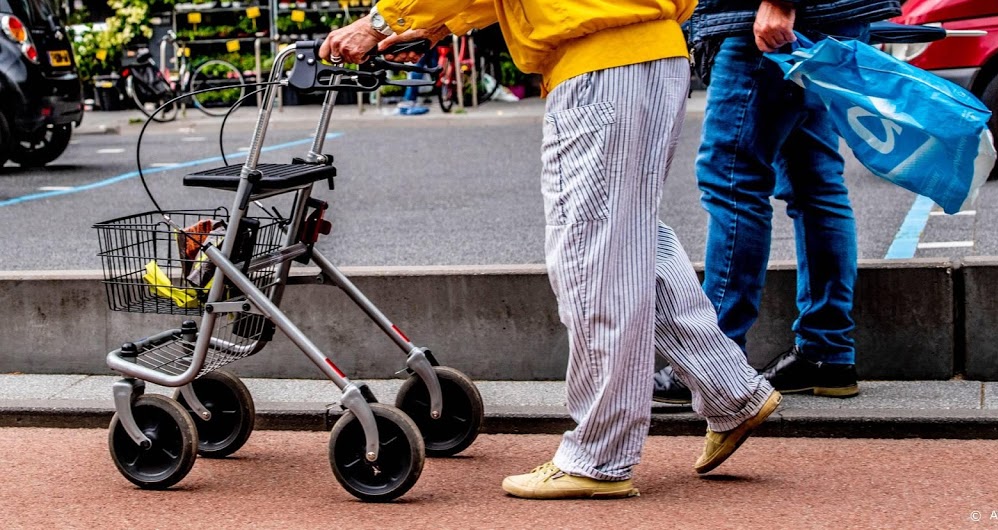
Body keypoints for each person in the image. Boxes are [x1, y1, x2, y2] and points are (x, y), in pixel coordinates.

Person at [320, 0, 780, 500]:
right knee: (631, 238)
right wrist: (433, 25)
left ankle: (599, 456)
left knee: (592, 256)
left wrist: (382, 21)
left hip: (596, 63)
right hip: (654, 54)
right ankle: (730, 390)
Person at [652, 0, 903, 405]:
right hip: (825, 16)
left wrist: (780, 2)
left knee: (733, 177)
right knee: (815, 181)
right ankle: (826, 353)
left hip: (772, 21)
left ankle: (714, 362)